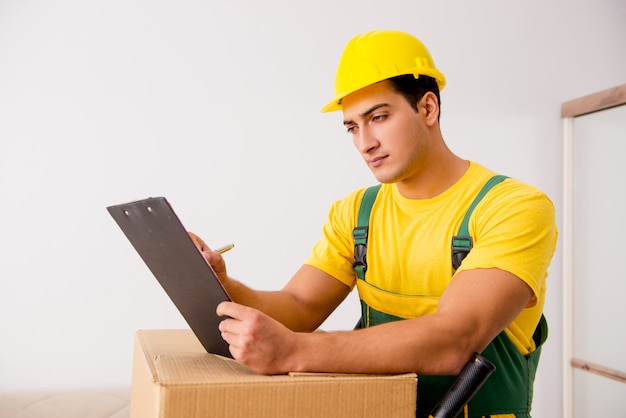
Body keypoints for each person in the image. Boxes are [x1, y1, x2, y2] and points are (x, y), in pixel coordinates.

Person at [191, 30, 557, 417]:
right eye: (352, 127)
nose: (364, 142)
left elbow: (455, 340)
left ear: (428, 108)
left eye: (378, 117)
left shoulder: (513, 208)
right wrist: (220, 282)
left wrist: (295, 351)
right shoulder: (357, 213)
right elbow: (298, 308)